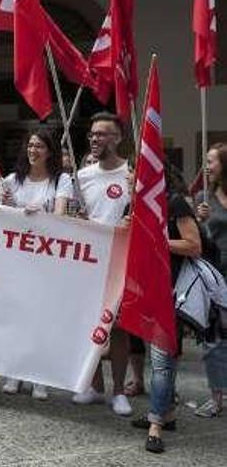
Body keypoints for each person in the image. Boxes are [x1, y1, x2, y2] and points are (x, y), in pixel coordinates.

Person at [129, 164, 201, 453]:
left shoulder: (174, 202)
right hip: (146, 290)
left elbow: (193, 245)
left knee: (161, 362)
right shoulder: (137, 205)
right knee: (161, 359)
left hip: (171, 293)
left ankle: (156, 424)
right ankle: (167, 412)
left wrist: (157, 241)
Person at [0, 129, 73, 400]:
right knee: (17, 315)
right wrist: (11, 209)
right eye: (30, 145)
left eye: (40, 146)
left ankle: (40, 375)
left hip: (47, 260)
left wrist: (39, 216)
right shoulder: (11, 181)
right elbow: (2, 218)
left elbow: (60, 216)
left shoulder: (61, 180)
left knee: (42, 317)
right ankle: (14, 371)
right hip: (17, 260)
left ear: (50, 151)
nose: (33, 150)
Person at [73, 112, 133, 416]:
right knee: (89, 325)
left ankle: (119, 391)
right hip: (89, 263)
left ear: (118, 138)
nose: (95, 139)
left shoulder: (132, 175)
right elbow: (73, 217)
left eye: (102, 134)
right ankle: (95, 386)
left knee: (119, 329)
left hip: (121, 263)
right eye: (92, 134)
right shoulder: (82, 177)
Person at [193, 142, 227, 418]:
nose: (206, 166)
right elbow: (198, 241)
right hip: (215, 278)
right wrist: (199, 219)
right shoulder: (203, 197)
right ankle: (217, 397)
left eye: (211, 161)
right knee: (213, 340)